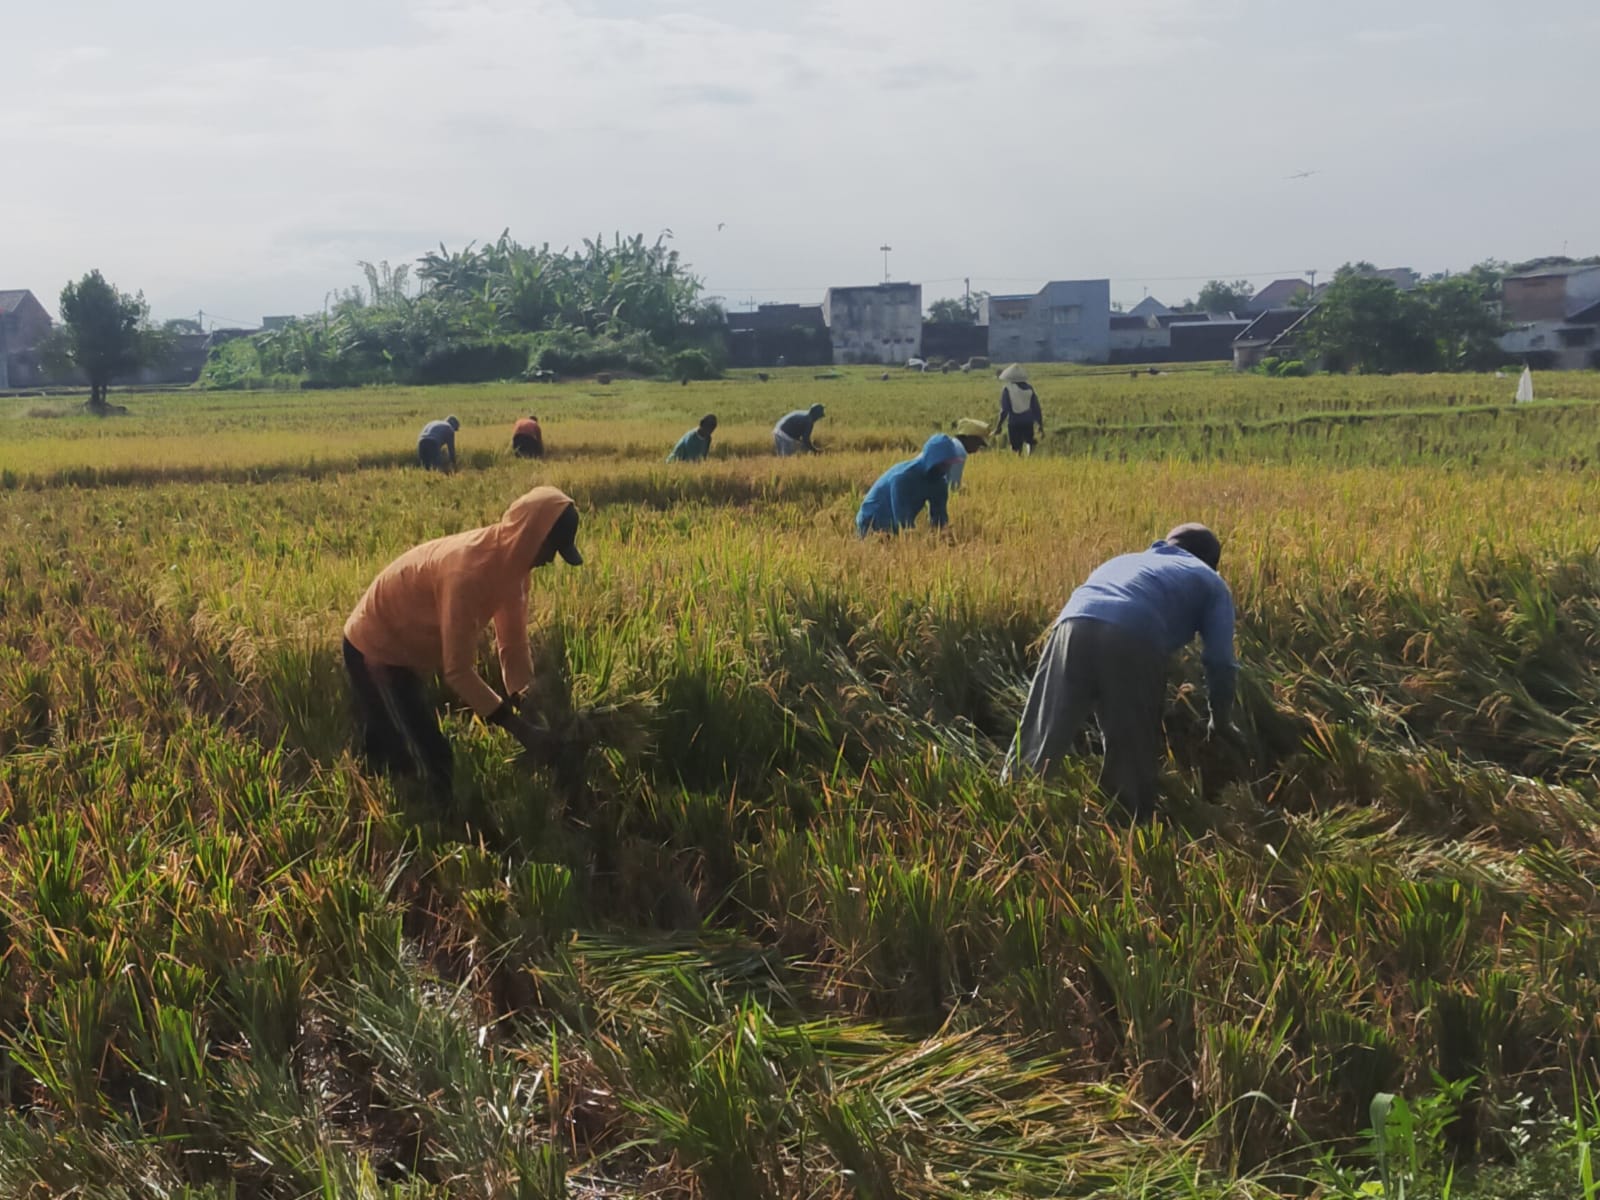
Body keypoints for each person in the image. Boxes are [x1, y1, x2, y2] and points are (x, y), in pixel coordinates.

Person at [342, 485, 583, 801]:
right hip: (376, 649)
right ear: (529, 536)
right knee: (429, 758)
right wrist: (519, 729)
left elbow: (512, 646)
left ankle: (369, 781)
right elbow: (457, 671)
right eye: (551, 548)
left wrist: (527, 705)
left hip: (406, 647)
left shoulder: (514, 569)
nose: (551, 559)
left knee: (390, 733)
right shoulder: (468, 574)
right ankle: (435, 821)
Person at [1003, 523, 1239, 822]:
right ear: (1212, 562)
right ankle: (1123, 825)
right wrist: (1220, 720)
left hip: (1072, 624)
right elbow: (1220, 661)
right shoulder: (1210, 580)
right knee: (1131, 746)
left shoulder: (1124, 561)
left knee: (1043, 727)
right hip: (1135, 632)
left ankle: (1008, 803)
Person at [856, 433, 965, 536]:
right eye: (943, 464)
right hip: (872, 519)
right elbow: (903, 523)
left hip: (895, 522)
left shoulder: (939, 483)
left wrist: (943, 535)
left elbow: (939, 519)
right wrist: (914, 537)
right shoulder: (902, 478)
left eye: (949, 464)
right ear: (933, 461)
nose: (946, 469)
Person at [992, 365, 1043, 454]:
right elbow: (1036, 408)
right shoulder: (1029, 388)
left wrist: (999, 426)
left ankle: (1019, 460)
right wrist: (1040, 425)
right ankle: (1030, 459)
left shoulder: (1007, 389)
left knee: (1016, 449)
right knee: (1029, 443)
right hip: (1028, 422)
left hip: (1014, 422)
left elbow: (1004, 410)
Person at [947, 417, 990, 490]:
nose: (978, 448)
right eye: (979, 443)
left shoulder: (952, 443)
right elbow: (953, 487)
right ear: (970, 438)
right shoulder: (959, 452)